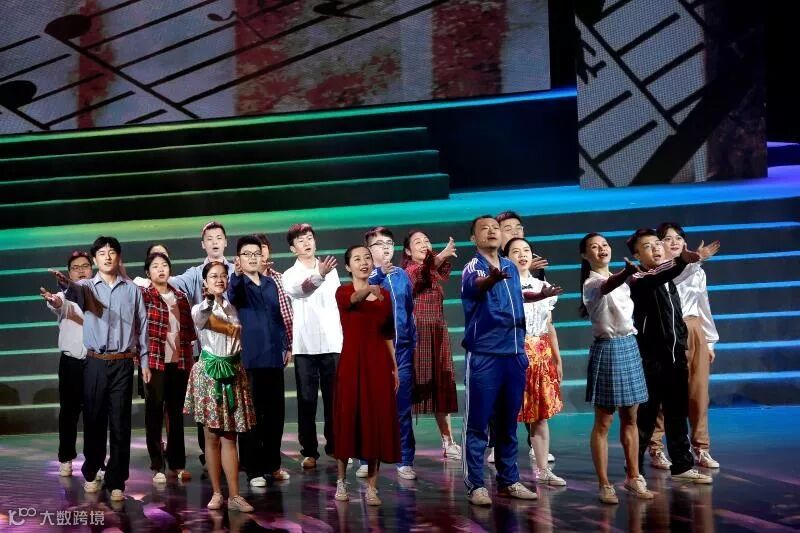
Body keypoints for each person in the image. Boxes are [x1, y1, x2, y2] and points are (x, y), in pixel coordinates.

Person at [49, 236, 148, 502]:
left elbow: (143, 326)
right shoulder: (86, 287)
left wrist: (145, 362)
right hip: (94, 362)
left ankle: (117, 480)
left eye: (111, 252)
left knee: (121, 423)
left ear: (118, 257)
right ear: (95, 259)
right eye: (102, 253)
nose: (107, 256)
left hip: (123, 362)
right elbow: (71, 293)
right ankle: (92, 471)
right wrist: (64, 284)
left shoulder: (132, 290)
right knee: (93, 420)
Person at [626, 228, 717, 486]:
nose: (656, 248)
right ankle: (634, 472)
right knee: (646, 418)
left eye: (657, 243)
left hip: (675, 355)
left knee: (677, 413)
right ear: (636, 255)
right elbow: (662, 274)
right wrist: (687, 259)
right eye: (647, 246)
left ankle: (682, 465)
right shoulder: (639, 278)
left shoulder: (667, 277)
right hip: (652, 359)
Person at [461, 215, 538, 506]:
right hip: (485, 355)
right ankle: (475, 484)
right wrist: (490, 279)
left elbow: (513, 298)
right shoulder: (474, 266)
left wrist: (537, 295)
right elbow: (476, 286)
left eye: (495, 227)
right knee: (478, 423)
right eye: (485, 228)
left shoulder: (510, 266)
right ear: (474, 238)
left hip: (514, 354)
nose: (492, 231)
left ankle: (509, 480)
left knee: (508, 423)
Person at [579, 232, 652, 504]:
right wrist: (626, 273)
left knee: (631, 418)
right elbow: (608, 285)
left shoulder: (623, 280)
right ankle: (604, 484)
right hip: (608, 349)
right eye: (594, 247)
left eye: (605, 245)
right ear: (585, 255)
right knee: (604, 421)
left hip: (629, 346)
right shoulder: (591, 283)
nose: (601, 249)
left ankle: (633, 477)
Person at [648, 223, 721, 470]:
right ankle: (656, 448)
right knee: (664, 394)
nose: (675, 242)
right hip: (668, 332)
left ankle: (701, 448)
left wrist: (709, 341)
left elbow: (703, 305)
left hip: (693, 329)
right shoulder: (658, 270)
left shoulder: (697, 271)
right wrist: (694, 260)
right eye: (668, 238)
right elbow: (674, 277)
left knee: (699, 393)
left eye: (679, 238)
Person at [184, 261, 256, 512]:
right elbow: (204, 318)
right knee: (211, 436)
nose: (220, 279)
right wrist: (210, 300)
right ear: (205, 281)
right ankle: (216, 493)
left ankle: (234, 495)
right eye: (214, 276)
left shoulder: (232, 307)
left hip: (233, 372)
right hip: (210, 375)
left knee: (230, 436)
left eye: (223, 275)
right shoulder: (200, 308)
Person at [332, 245, 401, 505]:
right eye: (357, 259)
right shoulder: (343, 291)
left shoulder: (384, 295)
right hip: (351, 363)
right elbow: (352, 300)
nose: (363, 262)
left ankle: (372, 486)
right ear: (348, 266)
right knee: (347, 420)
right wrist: (369, 289)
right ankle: (341, 481)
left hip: (378, 364)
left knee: (376, 421)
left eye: (367, 258)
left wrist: (394, 366)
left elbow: (387, 334)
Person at [228, 235, 291, 487]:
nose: (253, 258)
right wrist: (236, 275)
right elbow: (233, 295)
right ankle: (253, 469)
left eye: (256, 253)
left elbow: (278, 318)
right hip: (251, 359)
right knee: (251, 416)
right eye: (247, 254)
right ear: (239, 259)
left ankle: (272, 465)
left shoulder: (270, 283)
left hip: (274, 357)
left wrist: (286, 345)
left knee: (275, 416)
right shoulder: (239, 284)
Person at [503, 238, 566, 486]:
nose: (522, 255)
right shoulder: (503, 286)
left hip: (541, 355)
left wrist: (557, 359)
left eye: (526, 250)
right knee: (508, 414)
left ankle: (542, 470)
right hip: (514, 353)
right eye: (515, 251)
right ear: (506, 258)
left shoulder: (543, 286)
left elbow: (549, 326)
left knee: (540, 416)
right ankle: (507, 474)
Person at [170, 221, 231, 469]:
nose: (215, 242)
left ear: (226, 241)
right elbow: (171, 282)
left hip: (234, 353)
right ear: (203, 244)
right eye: (210, 238)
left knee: (234, 406)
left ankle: (235, 457)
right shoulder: (195, 274)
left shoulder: (236, 269)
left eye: (219, 237)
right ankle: (210, 458)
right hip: (206, 354)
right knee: (207, 408)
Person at [282, 223, 343, 468]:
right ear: (292, 248)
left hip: (332, 342)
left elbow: (337, 304)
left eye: (309, 238)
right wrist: (320, 275)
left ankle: (336, 446)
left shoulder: (332, 270)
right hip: (305, 346)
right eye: (300, 240)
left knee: (334, 400)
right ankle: (309, 451)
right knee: (307, 401)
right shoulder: (289, 274)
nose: (306, 243)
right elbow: (301, 291)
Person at [361, 226, 417, 480]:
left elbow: (409, 309)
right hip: (375, 351)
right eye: (379, 244)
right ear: (369, 249)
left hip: (402, 349)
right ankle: (366, 458)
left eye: (389, 243)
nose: (385, 248)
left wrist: (412, 341)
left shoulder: (402, 275)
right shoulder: (365, 276)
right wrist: (378, 275)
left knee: (402, 407)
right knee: (371, 408)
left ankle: (404, 459)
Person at [401, 230, 461, 459]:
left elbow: (435, 269)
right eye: (417, 242)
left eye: (426, 240)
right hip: (417, 335)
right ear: (408, 251)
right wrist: (442, 254)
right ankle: (401, 443)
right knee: (410, 387)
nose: (424, 244)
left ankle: (448, 441)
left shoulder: (433, 270)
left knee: (441, 385)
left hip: (437, 332)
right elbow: (420, 275)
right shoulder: (408, 271)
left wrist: (441, 257)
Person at [139, 251, 196, 484]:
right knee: (154, 413)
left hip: (178, 363)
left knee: (176, 415)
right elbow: (138, 331)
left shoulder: (180, 297)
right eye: (155, 266)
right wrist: (142, 362)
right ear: (147, 272)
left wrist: (190, 364)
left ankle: (177, 463)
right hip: (154, 363)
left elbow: (189, 334)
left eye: (164, 265)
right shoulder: (144, 296)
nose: (161, 269)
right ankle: (157, 465)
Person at [39, 251, 92, 478]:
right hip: (71, 363)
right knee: (69, 413)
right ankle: (66, 458)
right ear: (69, 273)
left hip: (95, 362)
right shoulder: (63, 296)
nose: (81, 271)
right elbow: (58, 303)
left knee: (94, 414)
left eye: (85, 266)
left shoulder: (99, 295)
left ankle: (94, 460)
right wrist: (53, 299)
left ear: (92, 269)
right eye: (75, 268)